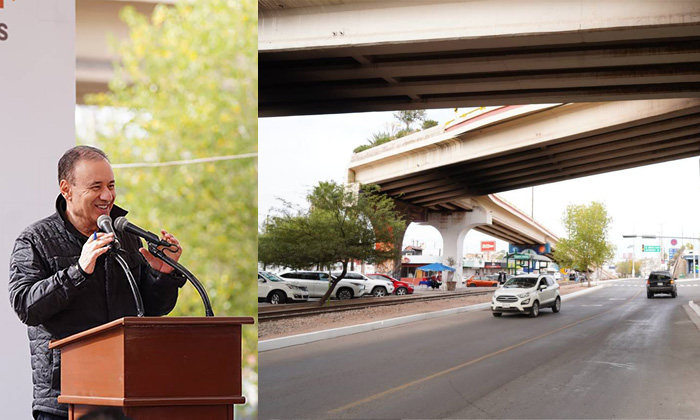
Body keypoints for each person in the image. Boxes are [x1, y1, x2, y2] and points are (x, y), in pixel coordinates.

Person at [9, 146, 187, 420]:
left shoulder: (125, 236)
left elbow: (151, 309)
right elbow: (26, 306)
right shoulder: (34, 240)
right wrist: (78, 270)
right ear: (67, 190)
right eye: (96, 187)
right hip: (64, 400)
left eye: (111, 185)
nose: (107, 196)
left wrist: (163, 275)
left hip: (125, 391)